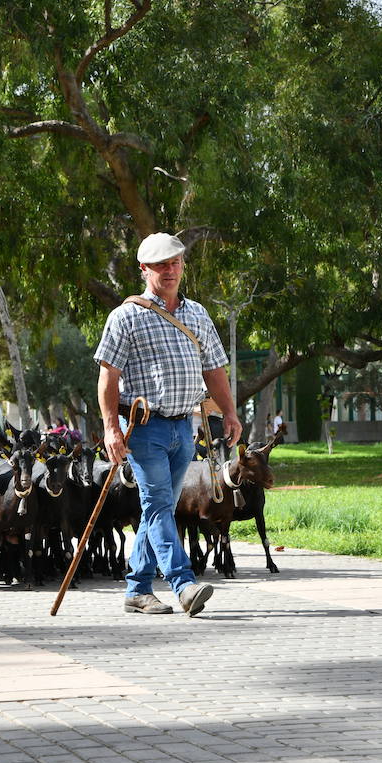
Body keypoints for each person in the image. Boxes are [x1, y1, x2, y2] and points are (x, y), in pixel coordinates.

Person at [94, 232, 241, 617]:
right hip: (145, 429)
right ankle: (184, 584)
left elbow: (214, 369)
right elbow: (108, 377)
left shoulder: (198, 314)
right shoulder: (126, 316)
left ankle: (137, 590)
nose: (170, 270)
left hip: (184, 428)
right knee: (159, 505)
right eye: (161, 265)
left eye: (175, 263)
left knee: (157, 508)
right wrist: (111, 429)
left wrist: (229, 411)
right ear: (144, 269)